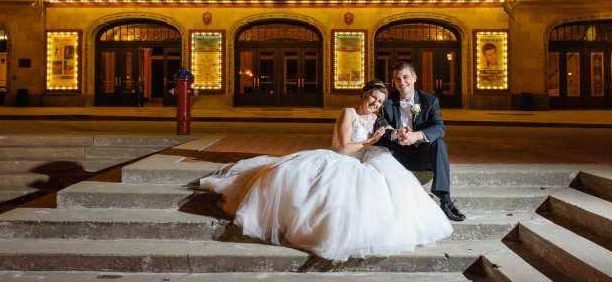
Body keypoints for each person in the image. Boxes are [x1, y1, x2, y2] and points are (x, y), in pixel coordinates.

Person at [198, 80, 453, 261]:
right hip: (341, 159)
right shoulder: (348, 113)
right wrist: (369, 141)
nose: (375, 103)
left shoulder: (378, 119)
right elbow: (342, 148)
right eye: (372, 98)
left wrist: (399, 133)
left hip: (367, 158)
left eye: (380, 101)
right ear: (363, 95)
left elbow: (386, 135)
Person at [377, 62, 466, 222]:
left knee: (439, 144)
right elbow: (381, 128)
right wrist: (396, 135)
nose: (402, 82)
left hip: (420, 155)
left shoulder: (428, 100)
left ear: (414, 78)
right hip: (396, 156)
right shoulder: (387, 101)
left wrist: (417, 135)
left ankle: (445, 201)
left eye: (406, 77)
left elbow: (440, 128)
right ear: (394, 82)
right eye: (398, 79)